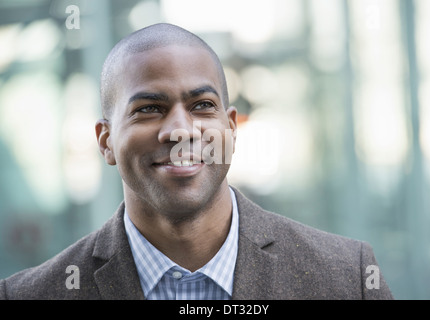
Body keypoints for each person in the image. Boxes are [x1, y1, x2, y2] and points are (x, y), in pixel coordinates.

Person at [0, 23, 393, 300]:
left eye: (202, 105)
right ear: (105, 142)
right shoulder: (32, 295)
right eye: (150, 108)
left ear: (232, 129)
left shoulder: (346, 279)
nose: (180, 130)